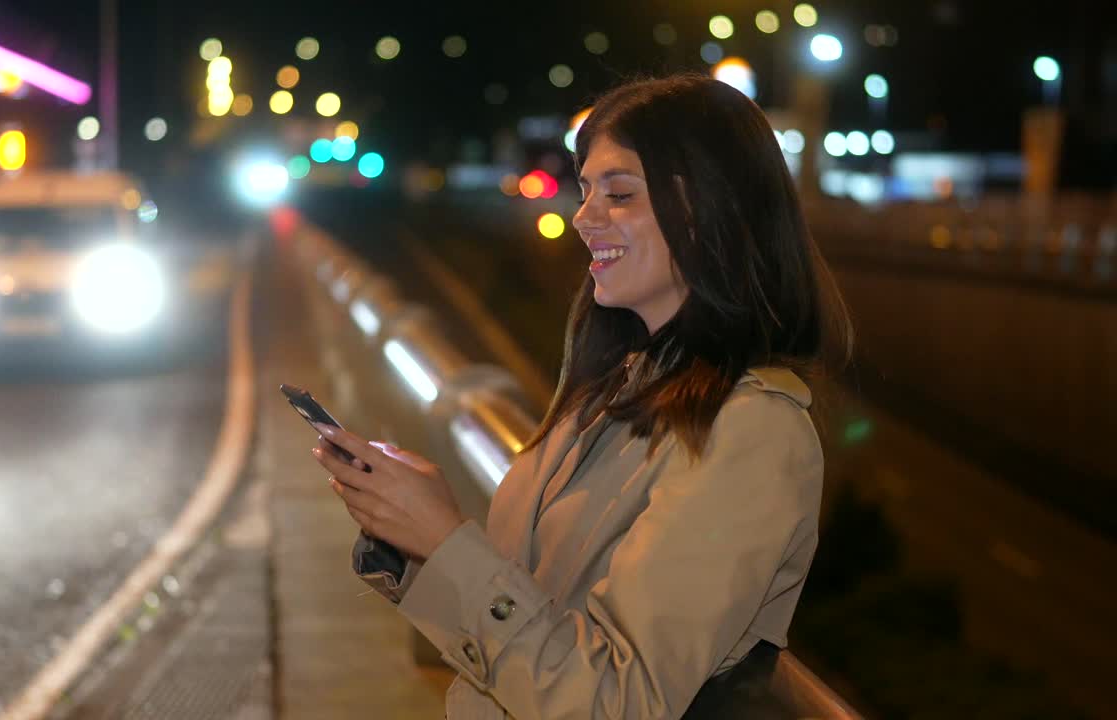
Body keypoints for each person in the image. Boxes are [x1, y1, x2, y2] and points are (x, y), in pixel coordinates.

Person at [310, 72, 853, 719]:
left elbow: (615, 702)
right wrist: (414, 539)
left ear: (711, 210)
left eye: (619, 194)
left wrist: (448, 539)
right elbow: (536, 611)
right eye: (587, 190)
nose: (583, 217)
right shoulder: (614, 389)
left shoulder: (753, 432)